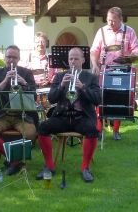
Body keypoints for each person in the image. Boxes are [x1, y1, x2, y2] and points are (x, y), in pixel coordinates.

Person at [36, 47, 101, 182]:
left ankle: (85, 168)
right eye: (71, 59)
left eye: (76, 59)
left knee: (92, 130)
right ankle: (49, 166)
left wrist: (82, 87)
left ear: (83, 60)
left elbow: (97, 100)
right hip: (63, 116)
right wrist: (61, 86)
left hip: (82, 117)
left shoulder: (91, 78)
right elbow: (51, 99)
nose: (73, 61)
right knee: (42, 127)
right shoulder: (60, 77)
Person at [0, 45, 39, 175]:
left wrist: (24, 83)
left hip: (22, 115)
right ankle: (14, 160)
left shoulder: (26, 73)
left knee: (31, 134)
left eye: (14, 57)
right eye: (8, 57)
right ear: (4, 58)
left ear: (19, 59)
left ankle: (13, 162)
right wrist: (5, 81)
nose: (11, 60)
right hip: (3, 114)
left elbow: (34, 96)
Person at [89, 6, 138, 140]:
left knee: (119, 99)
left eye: (113, 20)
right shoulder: (101, 31)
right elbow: (94, 50)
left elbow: (136, 49)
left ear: (120, 19)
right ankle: (99, 131)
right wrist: (94, 64)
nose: (110, 23)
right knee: (100, 99)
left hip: (122, 71)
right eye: (108, 20)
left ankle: (116, 130)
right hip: (105, 70)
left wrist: (132, 56)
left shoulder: (129, 31)